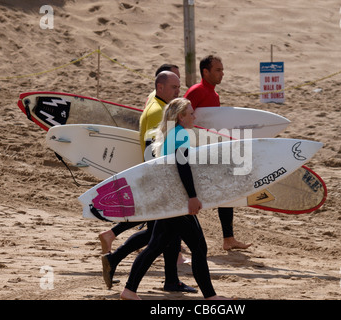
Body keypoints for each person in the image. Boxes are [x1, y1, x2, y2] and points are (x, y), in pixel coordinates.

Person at [120, 98, 230, 300]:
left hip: (167, 197)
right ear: (180, 116)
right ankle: (211, 297)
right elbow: (183, 166)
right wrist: (192, 197)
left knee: (155, 246)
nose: (194, 116)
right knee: (198, 247)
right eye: (190, 113)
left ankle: (129, 291)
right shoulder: (180, 134)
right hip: (177, 200)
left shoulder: (169, 133)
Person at [101, 71, 196, 294]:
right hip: (161, 184)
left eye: (179, 87)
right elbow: (154, 152)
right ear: (159, 87)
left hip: (158, 183)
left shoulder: (155, 105)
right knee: (158, 239)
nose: (177, 92)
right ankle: (122, 271)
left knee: (162, 236)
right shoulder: (157, 111)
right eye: (174, 87)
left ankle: (168, 280)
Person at [184, 55, 252, 251]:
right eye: (218, 70)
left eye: (222, 69)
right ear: (205, 72)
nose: (222, 73)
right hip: (197, 151)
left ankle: (228, 239)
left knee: (225, 189)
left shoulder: (213, 94)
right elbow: (182, 116)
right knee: (189, 194)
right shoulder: (196, 91)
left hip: (211, 148)